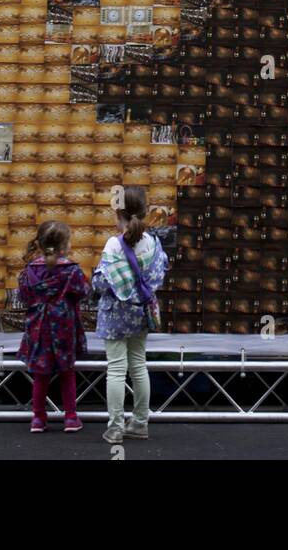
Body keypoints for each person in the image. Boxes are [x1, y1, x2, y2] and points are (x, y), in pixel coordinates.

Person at [92, 186, 169, 442]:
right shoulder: (154, 242)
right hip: (141, 312)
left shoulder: (114, 244)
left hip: (115, 315)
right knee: (138, 365)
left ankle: (115, 428)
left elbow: (102, 284)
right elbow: (158, 276)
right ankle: (139, 423)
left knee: (115, 370)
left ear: (118, 214)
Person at [18, 219, 90, 432]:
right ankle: (70, 417)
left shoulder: (29, 271)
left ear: (39, 244)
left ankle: (38, 418)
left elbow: (24, 296)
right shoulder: (72, 270)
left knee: (41, 375)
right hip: (64, 328)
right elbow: (83, 292)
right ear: (65, 246)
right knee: (67, 372)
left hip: (38, 328)